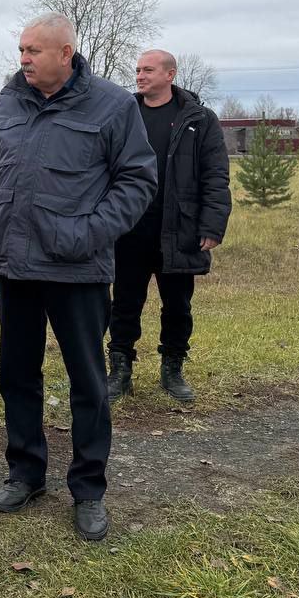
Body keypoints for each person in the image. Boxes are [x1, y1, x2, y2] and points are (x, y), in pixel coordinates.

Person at [0, 14, 156, 542]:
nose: (23, 58)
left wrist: (89, 232)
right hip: (14, 266)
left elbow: (138, 181)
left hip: (78, 270)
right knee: (16, 375)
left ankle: (89, 488)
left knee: (88, 381)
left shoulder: (112, 105)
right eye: (21, 50)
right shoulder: (7, 104)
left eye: (33, 50)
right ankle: (26, 472)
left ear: (65, 53)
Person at [106, 50, 231, 402]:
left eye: (148, 70)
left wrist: (212, 225)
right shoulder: (124, 114)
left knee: (177, 305)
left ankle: (172, 370)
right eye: (137, 70)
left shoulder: (198, 119)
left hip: (179, 228)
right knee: (124, 303)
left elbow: (215, 174)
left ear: (170, 74)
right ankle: (119, 371)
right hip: (130, 228)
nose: (140, 76)